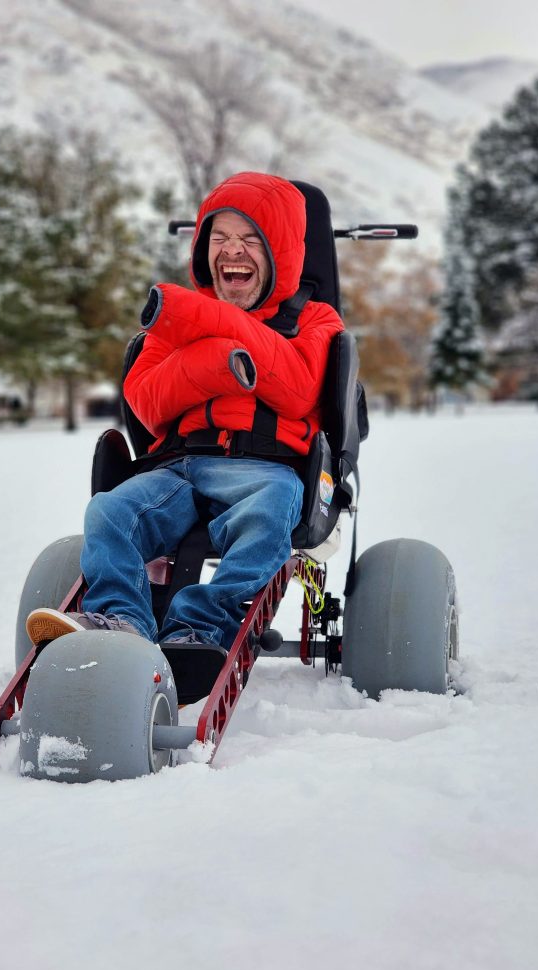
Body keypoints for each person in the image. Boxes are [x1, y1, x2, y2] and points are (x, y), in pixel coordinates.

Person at [26, 171, 343, 651]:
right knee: (109, 511)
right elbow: (148, 401)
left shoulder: (314, 320)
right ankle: (123, 621)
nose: (232, 251)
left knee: (270, 509)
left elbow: (297, 390)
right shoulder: (179, 317)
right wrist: (221, 362)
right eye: (220, 237)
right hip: (177, 467)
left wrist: (209, 326)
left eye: (250, 240)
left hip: (266, 469)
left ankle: (201, 628)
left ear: (280, 250)